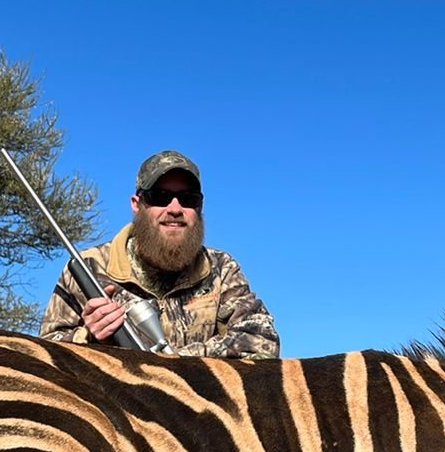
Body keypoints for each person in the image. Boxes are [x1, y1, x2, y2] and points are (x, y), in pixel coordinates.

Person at [39, 150, 280, 359]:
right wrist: (87, 337)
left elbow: (262, 339)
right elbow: (42, 354)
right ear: (137, 204)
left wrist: (172, 361)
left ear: (200, 208)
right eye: (160, 197)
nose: (175, 209)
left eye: (188, 200)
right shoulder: (89, 267)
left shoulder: (221, 269)